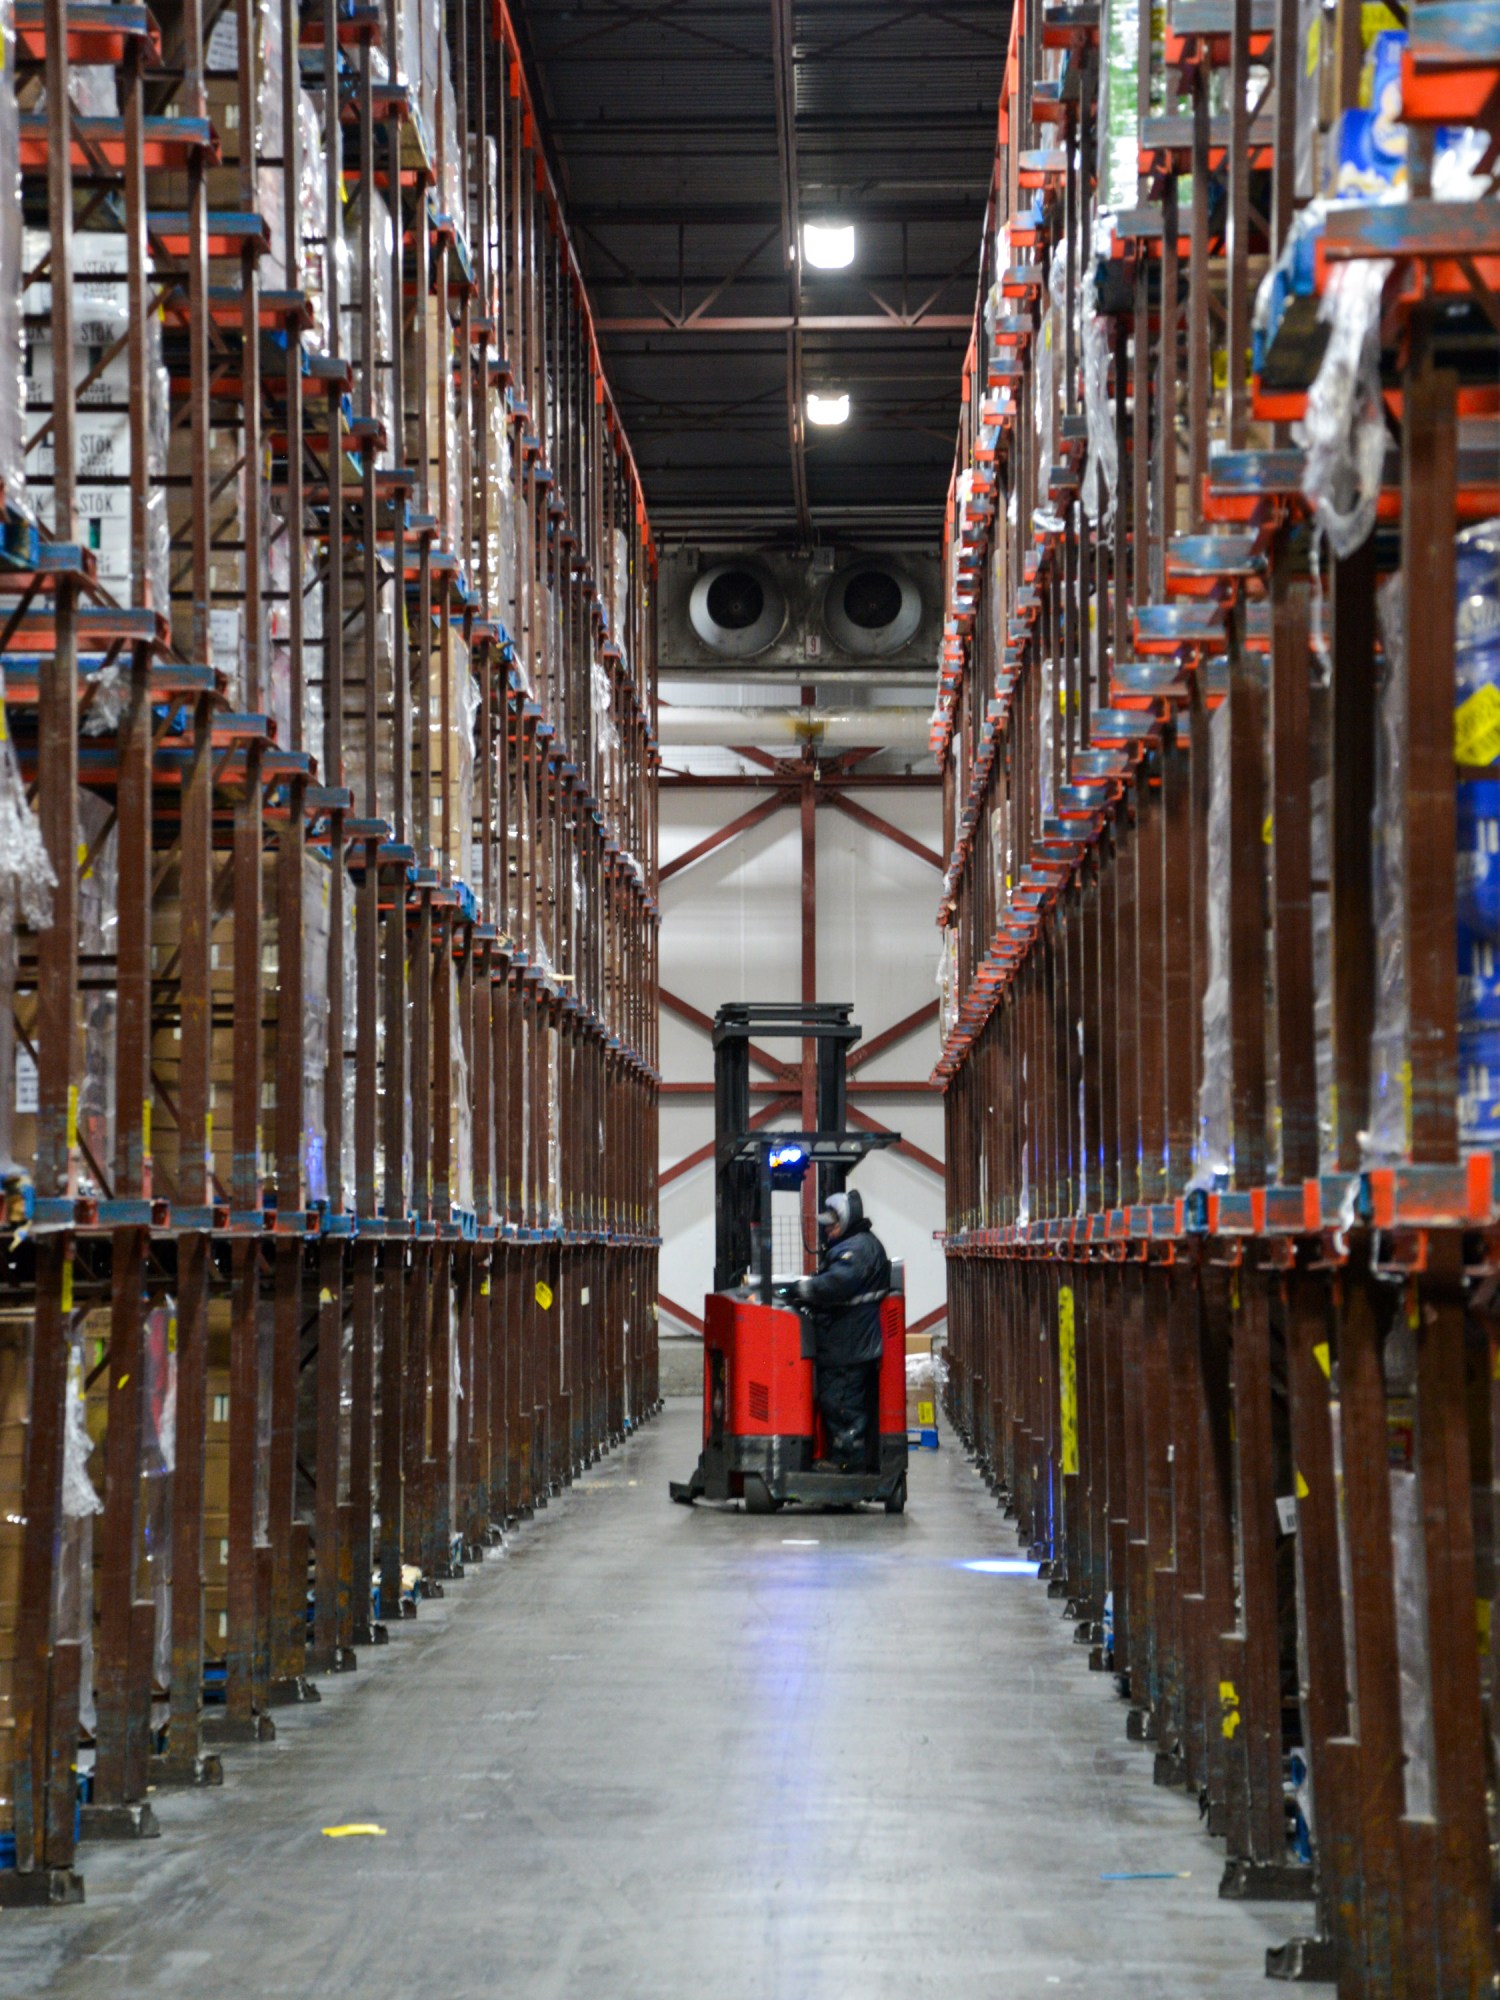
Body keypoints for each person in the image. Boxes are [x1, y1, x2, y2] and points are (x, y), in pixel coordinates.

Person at [793, 1188, 891, 1473]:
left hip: (849, 1345)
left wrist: (802, 1288)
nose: (828, 1232)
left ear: (847, 1222)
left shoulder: (858, 1249)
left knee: (843, 1403)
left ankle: (848, 1464)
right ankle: (842, 1458)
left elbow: (836, 1283)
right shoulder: (852, 1245)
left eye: (833, 1226)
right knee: (836, 1400)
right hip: (844, 1342)